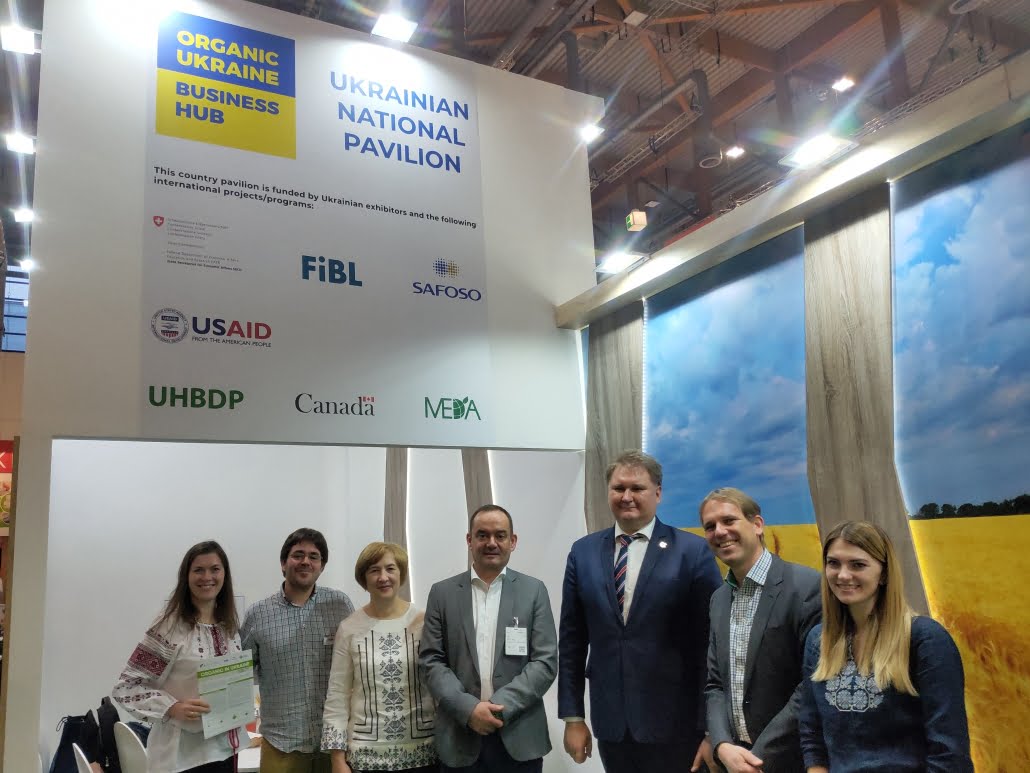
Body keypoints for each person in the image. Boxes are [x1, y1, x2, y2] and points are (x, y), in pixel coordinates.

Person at [559, 450, 722, 772]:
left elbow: (711, 644)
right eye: (619, 488)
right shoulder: (583, 552)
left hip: (677, 725)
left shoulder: (692, 552)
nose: (627, 496)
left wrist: (710, 728)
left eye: (637, 488)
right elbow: (572, 640)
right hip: (612, 724)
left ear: (657, 493)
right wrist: (573, 716)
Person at [799, 521, 973, 773]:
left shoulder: (925, 639)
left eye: (857, 565)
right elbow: (812, 732)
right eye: (833, 563)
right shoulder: (818, 640)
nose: (843, 575)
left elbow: (949, 752)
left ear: (884, 574)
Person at [419, 504, 557, 772]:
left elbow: (545, 662)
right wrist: (469, 709)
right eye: (482, 535)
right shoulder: (442, 593)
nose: (491, 543)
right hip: (459, 735)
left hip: (520, 735)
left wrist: (498, 708)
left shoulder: (534, 591)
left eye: (500, 535)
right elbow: (431, 661)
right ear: (469, 540)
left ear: (512, 541)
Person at [695, 488, 821, 773]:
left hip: (791, 761)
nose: (720, 531)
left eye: (729, 520)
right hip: (734, 758)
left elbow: (812, 684)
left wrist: (758, 756)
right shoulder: (719, 599)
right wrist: (721, 745)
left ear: (757, 524)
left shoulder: (806, 587)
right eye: (710, 526)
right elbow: (715, 684)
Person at [113, 540, 246, 772]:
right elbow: (127, 687)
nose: (207, 577)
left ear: (225, 574)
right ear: (186, 576)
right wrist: (172, 707)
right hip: (182, 758)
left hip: (225, 750)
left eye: (215, 569)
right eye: (198, 570)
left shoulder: (228, 626)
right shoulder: (170, 627)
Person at [241, 528, 355, 773]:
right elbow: (242, 673)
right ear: (283, 564)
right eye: (298, 555)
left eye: (314, 556)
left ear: (322, 566)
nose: (306, 561)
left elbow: (355, 665)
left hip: (333, 744)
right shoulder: (257, 615)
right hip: (281, 745)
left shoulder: (340, 605)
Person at [321, 542, 437, 773]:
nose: (383, 577)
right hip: (365, 757)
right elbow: (337, 696)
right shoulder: (349, 628)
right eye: (374, 570)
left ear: (401, 573)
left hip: (424, 754)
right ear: (364, 578)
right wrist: (337, 759)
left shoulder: (425, 622)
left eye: (390, 569)